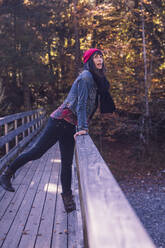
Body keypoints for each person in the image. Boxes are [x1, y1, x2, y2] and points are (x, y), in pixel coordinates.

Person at [0, 48, 116, 213]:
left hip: (70, 125)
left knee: (67, 163)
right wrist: (83, 128)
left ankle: (67, 199)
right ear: (89, 61)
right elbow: (82, 104)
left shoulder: (97, 79)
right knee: (37, 152)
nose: (100, 60)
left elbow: (90, 106)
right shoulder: (86, 77)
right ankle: (7, 173)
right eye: (96, 57)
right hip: (59, 121)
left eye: (101, 57)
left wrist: (80, 126)